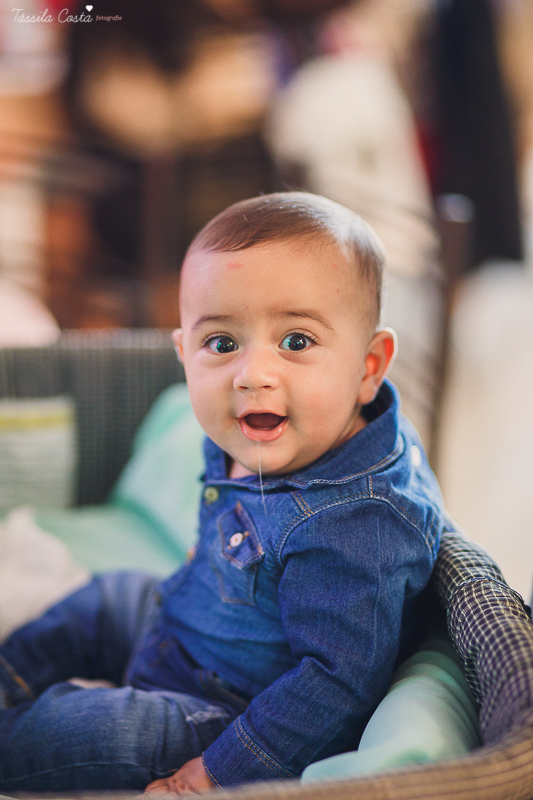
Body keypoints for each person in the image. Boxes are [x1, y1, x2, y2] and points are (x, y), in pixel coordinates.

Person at [0, 192, 445, 793]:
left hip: (225, 709)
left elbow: (337, 686)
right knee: (104, 598)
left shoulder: (360, 521)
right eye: (222, 343)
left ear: (369, 366)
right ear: (185, 356)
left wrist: (215, 772)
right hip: (178, 624)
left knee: (99, 731)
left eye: (296, 341)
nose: (252, 373)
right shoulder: (254, 430)